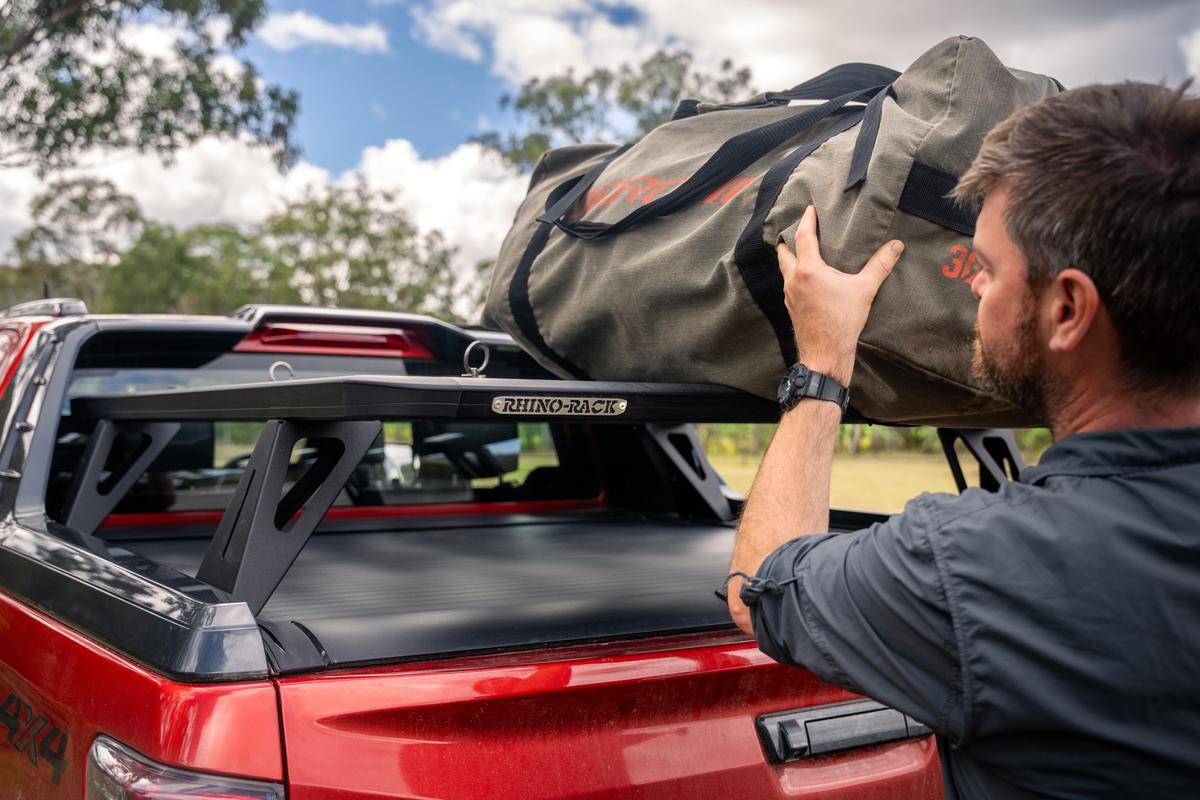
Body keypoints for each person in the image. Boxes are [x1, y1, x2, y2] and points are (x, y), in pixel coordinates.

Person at [724, 81, 1200, 799]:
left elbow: (760, 585)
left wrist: (823, 365)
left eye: (986, 268)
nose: (973, 289)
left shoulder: (976, 567)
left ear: (1067, 309)